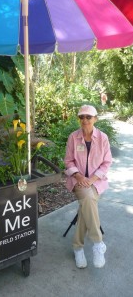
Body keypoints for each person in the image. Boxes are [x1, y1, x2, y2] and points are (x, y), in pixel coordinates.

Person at [64, 105, 112, 269]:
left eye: (88, 117)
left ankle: (78, 248)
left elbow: (107, 163)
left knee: (87, 203)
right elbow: (68, 161)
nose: (84, 120)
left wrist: (91, 180)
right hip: (78, 182)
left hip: (96, 182)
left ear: (95, 119)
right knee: (88, 199)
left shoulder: (103, 138)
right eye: (81, 117)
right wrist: (78, 176)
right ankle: (98, 243)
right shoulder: (73, 137)